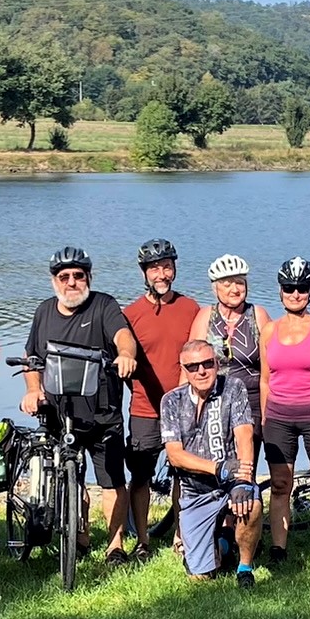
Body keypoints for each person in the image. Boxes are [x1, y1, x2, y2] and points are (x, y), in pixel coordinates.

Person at [21, 248, 138, 564]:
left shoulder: (104, 305)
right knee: (69, 479)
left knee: (112, 480)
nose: (71, 282)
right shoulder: (44, 312)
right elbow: (33, 359)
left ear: (89, 277)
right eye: (64, 277)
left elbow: (123, 336)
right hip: (60, 415)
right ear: (54, 280)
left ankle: (116, 545)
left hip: (102, 413)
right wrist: (33, 390)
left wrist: (126, 354)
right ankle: (80, 539)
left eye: (78, 276)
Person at [122, 239, 199, 564]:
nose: (162, 273)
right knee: (140, 477)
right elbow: (124, 362)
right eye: (155, 268)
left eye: (167, 266)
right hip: (144, 408)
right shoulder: (130, 314)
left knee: (185, 474)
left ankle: (182, 535)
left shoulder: (191, 308)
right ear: (144, 272)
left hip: (185, 408)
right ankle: (142, 539)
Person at [161, 339, 259, 587]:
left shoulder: (233, 388)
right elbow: (175, 455)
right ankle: (224, 542)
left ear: (217, 363)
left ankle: (245, 566)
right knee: (201, 576)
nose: (201, 371)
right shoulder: (171, 401)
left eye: (207, 363)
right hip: (196, 491)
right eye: (193, 366)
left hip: (230, 484)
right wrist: (217, 468)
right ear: (183, 369)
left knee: (253, 504)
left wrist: (243, 481)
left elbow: (245, 435)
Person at [259, 257, 310, 565]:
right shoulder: (269, 330)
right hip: (279, 417)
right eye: (289, 288)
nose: (295, 294)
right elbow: (266, 379)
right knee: (280, 484)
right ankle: (279, 547)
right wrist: (266, 417)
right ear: (280, 290)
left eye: (302, 288)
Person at [189, 255, 270, 465]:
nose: (235, 289)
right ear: (215, 288)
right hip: (213, 399)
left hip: (251, 401)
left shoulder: (257, 315)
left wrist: (267, 414)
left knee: (245, 466)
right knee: (214, 464)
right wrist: (187, 408)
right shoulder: (206, 315)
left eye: (240, 283)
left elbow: (270, 370)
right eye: (227, 284)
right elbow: (189, 363)